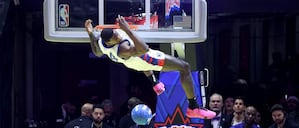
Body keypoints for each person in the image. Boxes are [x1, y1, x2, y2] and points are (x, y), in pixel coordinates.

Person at [84, 16, 216, 120]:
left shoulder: (102, 42)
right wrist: (127, 30)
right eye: (115, 37)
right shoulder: (122, 49)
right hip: (144, 58)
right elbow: (144, 49)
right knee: (184, 67)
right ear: (110, 42)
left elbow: (97, 52)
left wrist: (90, 34)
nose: (117, 36)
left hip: (132, 63)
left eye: (116, 34)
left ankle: (155, 83)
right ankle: (193, 107)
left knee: (141, 63)